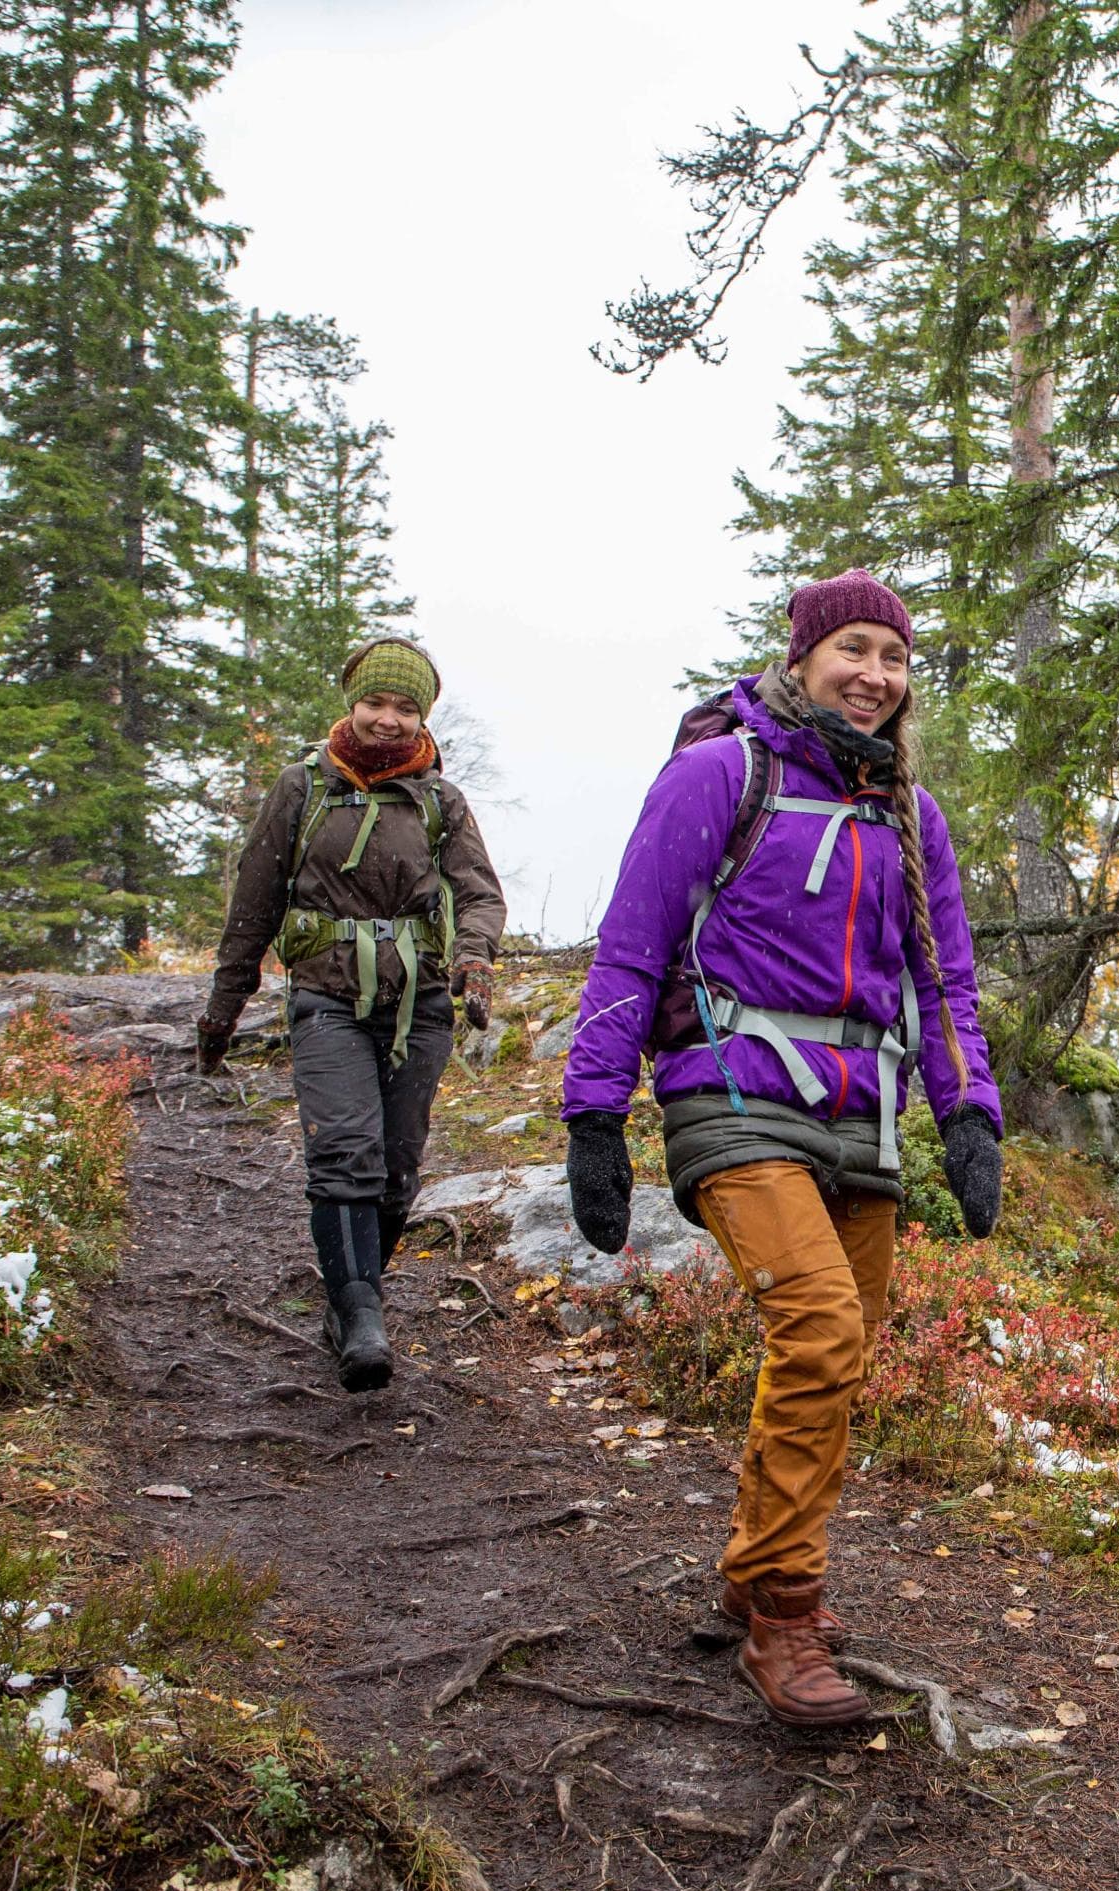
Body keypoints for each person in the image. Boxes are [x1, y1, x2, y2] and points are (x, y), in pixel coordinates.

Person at [561, 570, 1003, 1729]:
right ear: (801, 656)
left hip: (862, 1113)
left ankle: (761, 1565)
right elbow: (629, 946)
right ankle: (785, 1617)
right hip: (731, 1089)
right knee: (817, 1323)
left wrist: (969, 1112)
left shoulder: (913, 811)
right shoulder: (720, 775)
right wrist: (594, 1115)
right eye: (853, 649)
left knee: (838, 1359)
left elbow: (945, 975)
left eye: (895, 658)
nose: (874, 674)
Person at [196, 638, 506, 1394]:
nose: (388, 720)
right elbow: (254, 904)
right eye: (376, 703)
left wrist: (474, 957)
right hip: (326, 999)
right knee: (345, 1154)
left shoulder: (440, 801)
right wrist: (222, 1011)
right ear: (351, 702)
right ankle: (361, 1314)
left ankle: (350, 1298)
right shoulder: (300, 789)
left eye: (405, 708)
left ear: (423, 715)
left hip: (421, 1005)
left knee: (397, 1171)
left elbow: (480, 893)